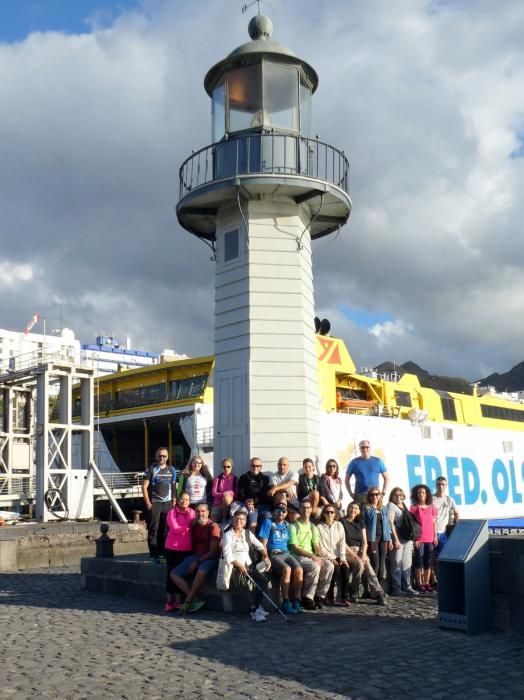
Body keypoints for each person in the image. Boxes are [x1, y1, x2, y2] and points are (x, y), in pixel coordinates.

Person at [170, 502, 221, 613]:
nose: (200, 514)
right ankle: (195, 599)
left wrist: (197, 562)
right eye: (197, 511)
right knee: (173, 574)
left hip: (210, 558)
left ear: (208, 513)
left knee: (201, 572)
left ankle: (188, 601)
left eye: (203, 511)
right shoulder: (195, 525)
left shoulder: (213, 527)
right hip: (195, 556)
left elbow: (213, 552)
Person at [222, 509, 271, 622]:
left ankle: (257, 606)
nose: (239, 521)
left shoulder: (248, 533)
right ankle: (253, 610)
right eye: (237, 518)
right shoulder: (228, 534)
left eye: (242, 519)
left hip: (248, 565)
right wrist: (238, 565)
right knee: (242, 582)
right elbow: (227, 554)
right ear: (233, 520)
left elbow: (260, 546)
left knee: (263, 581)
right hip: (234, 567)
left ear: (245, 522)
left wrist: (265, 555)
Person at [258, 504, 304, 614]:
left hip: (286, 553)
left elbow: (288, 543)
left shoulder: (286, 525)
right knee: (287, 569)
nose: (281, 513)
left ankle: (296, 600)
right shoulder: (268, 522)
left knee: (299, 569)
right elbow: (262, 543)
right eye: (278, 510)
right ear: (274, 512)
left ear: (286, 513)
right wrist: (266, 559)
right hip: (274, 554)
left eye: (283, 511)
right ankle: (285, 601)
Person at [288, 500, 334, 610]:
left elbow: (316, 545)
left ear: (311, 509)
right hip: (296, 556)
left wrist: (323, 556)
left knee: (329, 565)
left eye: (308, 507)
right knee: (315, 566)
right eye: (303, 507)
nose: (306, 510)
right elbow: (295, 547)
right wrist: (313, 557)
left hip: (310, 555)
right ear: (299, 509)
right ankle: (307, 598)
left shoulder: (313, 526)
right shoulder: (293, 526)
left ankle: (319, 596)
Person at [341, 501, 386, 604]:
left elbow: (365, 541)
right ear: (347, 509)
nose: (353, 510)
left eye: (356, 508)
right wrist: (353, 554)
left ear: (359, 511)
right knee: (360, 564)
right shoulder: (342, 522)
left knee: (366, 563)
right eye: (351, 507)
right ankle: (356, 591)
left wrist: (364, 554)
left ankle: (377, 592)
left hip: (360, 550)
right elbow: (341, 541)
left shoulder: (360, 522)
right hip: (346, 551)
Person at [142, 447, 177, 563]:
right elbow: (144, 487)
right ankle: (153, 554)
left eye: (164, 456)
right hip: (155, 503)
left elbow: (173, 487)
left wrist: (174, 501)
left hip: (168, 504)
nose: (161, 458)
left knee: (165, 529)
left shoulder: (172, 470)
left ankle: (162, 553)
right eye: (159, 456)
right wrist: (148, 504)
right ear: (156, 456)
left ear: (167, 457)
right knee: (154, 529)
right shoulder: (151, 469)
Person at [164, 492, 195, 611]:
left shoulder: (192, 512)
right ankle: (169, 601)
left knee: (180, 574)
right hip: (172, 548)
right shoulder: (172, 513)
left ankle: (177, 601)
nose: (184, 501)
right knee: (170, 574)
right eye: (182, 499)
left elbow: (196, 523)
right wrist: (189, 527)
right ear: (178, 500)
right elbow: (175, 528)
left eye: (187, 499)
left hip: (186, 549)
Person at [387, 488, 419, 596]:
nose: (398, 497)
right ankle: (397, 588)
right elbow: (390, 523)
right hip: (398, 539)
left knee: (407, 563)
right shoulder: (391, 506)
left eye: (400, 495)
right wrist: (395, 539)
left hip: (407, 539)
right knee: (396, 563)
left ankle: (408, 586)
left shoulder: (404, 505)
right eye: (395, 495)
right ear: (392, 496)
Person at [317, 504, 350, 606]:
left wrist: (343, 559)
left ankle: (344, 597)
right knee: (335, 569)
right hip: (326, 556)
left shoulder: (339, 525)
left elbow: (342, 542)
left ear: (335, 513)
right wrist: (330, 557)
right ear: (324, 514)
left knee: (345, 569)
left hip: (338, 555)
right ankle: (329, 596)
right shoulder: (319, 527)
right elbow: (320, 546)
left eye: (332, 512)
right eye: (327, 512)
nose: (330, 514)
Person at [363, 487, 394, 592]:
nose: (374, 497)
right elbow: (364, 525)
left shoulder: (383, 508)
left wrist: (390, 539)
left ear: (380, 495)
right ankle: (374, 590)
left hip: (384, 538)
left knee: (382, 564)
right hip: (373, 538)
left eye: (376, 494)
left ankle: (378, 587)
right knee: (375, 563)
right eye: (372, 495)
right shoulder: (366, 508)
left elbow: (387, 525)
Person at [410, 484, 438, 593]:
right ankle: (419, 583)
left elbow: (434, 523)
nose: (421, 494)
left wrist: (435, 536)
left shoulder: (432, 508)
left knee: (428, 561)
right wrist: (414, 539)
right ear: (416, 495)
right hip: (419, 538)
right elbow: (412, 524)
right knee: (419, 560)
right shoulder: (414, 507)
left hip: (430, 537)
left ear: (427, 494)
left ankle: (427, 582)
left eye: (423, 492)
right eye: (419, 493)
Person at [345, 441, 389, 505]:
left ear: (370, 448)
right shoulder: (354, 462)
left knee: (376, 514)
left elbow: (387, 478)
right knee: (362, 515)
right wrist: (350, 493)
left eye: (367, 447)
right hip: (360, 495)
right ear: (359, 449)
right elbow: (346, 480)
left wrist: (383, 493)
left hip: (375, 495)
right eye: (362, 447)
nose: (365, 449)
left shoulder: (378, 461)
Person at [237, 457, 272, 528]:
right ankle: (251, 538)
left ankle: (262, 538)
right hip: (250, 506)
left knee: (268, 519)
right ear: (250, 466)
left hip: (263, 505)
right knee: (252, 524)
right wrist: (246, 500)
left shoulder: (265, 479)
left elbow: (267, 494)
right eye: (253, 465)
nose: (255, 467)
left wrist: (258, 500)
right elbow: (241, 492)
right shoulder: (243, 478)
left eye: (258, 466)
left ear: (261, 467)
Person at [433, 476, 460, 554]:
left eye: (443, 484)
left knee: (443, 554)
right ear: (436, 485)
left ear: (446, 486)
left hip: (443, 533)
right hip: (432, 532)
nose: (441, 486)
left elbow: (457, 513)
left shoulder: (449, 499)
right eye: (439, 484)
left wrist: (456, 526)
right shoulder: (431, 499)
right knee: (430, 556)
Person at [211, 457, 237, 522]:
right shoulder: (218, 479)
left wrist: (229, 493)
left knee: (226, 497)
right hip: (218, 503)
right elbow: (214, 493)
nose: (226, 468)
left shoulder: (235, 479)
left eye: (228, 466)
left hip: (229, 503)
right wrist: (223, 494)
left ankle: (225, 517)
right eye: (224, 467)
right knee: (213, 521)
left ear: (231, 467)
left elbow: (237, 493)